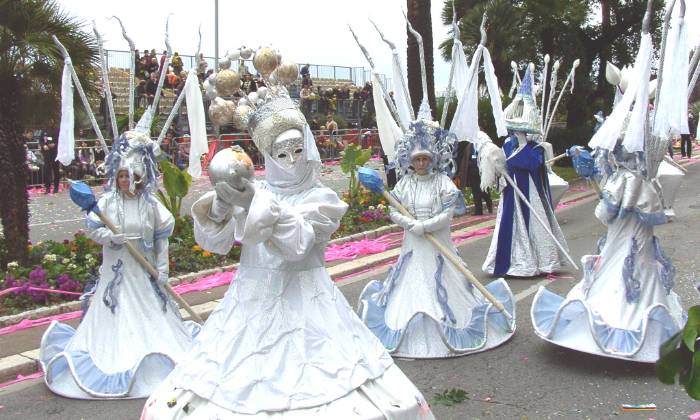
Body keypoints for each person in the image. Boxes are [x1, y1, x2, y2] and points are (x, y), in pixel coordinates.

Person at [142, 70, 433, 418]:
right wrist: (219, 209)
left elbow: (297, 245)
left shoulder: (321, 197)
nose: (293, 160)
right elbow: (216, 244)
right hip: (249, 300)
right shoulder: (253, 189)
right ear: (266, 155)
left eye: (298, 150)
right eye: (282, 153)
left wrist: (252, 204)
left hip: (308, 302)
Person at [39, 130, 199, 399]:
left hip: (144, 271)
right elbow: (93, 229)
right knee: (116, 311)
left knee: (153, 313)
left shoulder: (151, 206)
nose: (126, 181)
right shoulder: (107, 203)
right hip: (116, 273)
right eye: (122, 176)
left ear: (141, 176)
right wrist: (110, 237)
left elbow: (162, 241)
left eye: (131, 176)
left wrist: (162, 269)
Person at [358, 120, 515, 358]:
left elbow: (447, 215)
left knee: (442, 278)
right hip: (412, 245)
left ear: (432, 159)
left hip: (438, 243)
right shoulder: (405, 183)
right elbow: (393, 210)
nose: (421, 163)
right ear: (410, 161)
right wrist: (411, 225)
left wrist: (425, 225)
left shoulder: (443, 182)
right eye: (417, 159)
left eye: (425, 159)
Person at [482, 68, 570, 277]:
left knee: (533, 226)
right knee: (509, 226)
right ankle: (510, 262)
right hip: (511, 194)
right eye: (516, 130)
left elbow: (531, 165)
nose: (517, 133)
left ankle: (538, 261)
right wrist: (498, 170)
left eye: (521, 130)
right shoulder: (505, 146)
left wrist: (522, 145)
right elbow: (502, 167)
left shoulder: (537, 148)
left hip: (530, 194)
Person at [455, 141, 492, 216]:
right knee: (475, 192)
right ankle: (478, 211)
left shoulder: (483, 145)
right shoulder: (469, 146)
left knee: (484, 190)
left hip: (482, 172)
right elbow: (465, 159)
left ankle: (489, 203)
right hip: (473, 172)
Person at [39, 122, 60, 194]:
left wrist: (55, 144)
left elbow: (60, 140)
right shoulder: (44, 130)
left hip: (54, 152)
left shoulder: (57, 130)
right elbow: (41, 140)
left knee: (56, 170)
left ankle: (56, 187)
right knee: (47, 170)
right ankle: (47, 188)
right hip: (47, 153)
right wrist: (43, 145)